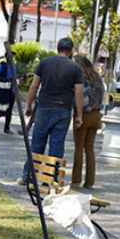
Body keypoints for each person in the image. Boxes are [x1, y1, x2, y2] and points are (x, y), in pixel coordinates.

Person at [18, 37, 84, 185]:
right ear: (71, 51)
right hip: (63, 111)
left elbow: (34, 86)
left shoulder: (45, 63)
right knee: (56, 146)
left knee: (36, 144)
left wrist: (28, 106)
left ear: (58, 48)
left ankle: (28, 176)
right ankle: (49, 181)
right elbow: (79, 93)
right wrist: (79, 115)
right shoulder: (75, 68)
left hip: (43, 109)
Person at [71, 55, 105, 189]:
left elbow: (79, 98)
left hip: (84, 115)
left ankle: (76, 179)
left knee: (79, 148)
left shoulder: (81, 80)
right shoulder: (98, 79)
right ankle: (90, 181)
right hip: (96, 115)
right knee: (90, 149)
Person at [0, 57, 15, 133]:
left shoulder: (13, 67)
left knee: (9, 109)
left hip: (10, 91)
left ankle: (7, 127)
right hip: (2, 90)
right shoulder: (2, 66)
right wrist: (3, 79)